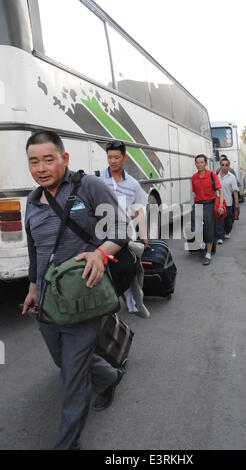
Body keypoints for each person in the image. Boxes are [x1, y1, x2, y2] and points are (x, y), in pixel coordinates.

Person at [22, 130, 129, 450]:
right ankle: (109, 376)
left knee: (72, 379)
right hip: (48, 304)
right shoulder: (31, 202)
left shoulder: (88, 188)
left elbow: (123, 228)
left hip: (84, 299)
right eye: (33, 161)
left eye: (48, 159)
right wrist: (31, 288)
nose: (40, 168)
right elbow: (34, 251)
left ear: (64, 159)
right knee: (63, 361)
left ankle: (67, 445)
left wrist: (100, 253)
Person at [97, 140, 150, 318]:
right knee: (105, 267)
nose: (113, 161)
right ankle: (110, 300)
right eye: (110, 157)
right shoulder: (97, 180)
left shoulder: (133, 184)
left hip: (123, 233)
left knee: (129, 266)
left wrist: (143, 234)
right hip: (100, 232)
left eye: (116, 157)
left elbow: (139, 209)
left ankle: (130, 297)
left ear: (124, 158)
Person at [191, 154, 224, 266]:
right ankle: (203, 244)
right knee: (194, 227)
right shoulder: (194, 177)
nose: (199, 164)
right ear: (195, 164)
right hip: (198, 204)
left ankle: (208, 254)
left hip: (210, 204)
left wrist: (220, 206)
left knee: (209, 229)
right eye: (197, 162)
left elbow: (220, 190)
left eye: (201, 162)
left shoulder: (212, 175)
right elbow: (194, 193)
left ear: (205, 163)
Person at [216, 157, 239, 244]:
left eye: (226, 165)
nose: (224, 167)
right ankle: (220, 236)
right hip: (218, 202)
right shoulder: (215, 177)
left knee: (228, 220)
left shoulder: (232, 177)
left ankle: (227, 231)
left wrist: (236, 203)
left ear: (229, 166)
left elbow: (235, 190)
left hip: (228, 202)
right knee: (219, 219)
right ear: (220, 166)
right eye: (222, 165)